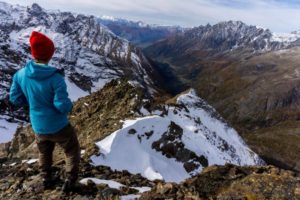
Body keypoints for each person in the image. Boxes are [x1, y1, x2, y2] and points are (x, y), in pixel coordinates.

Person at [9, 31, 80, 192]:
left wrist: (32, 102)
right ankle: (71, 181)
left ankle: (46, 178)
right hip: (59, 125)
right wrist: (70, 107)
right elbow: (61, 105)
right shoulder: (56, 78)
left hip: (38, 125)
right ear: (49, 54)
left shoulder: (19, 75)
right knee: (71, 150)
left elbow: (14, 98)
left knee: (44, 152)